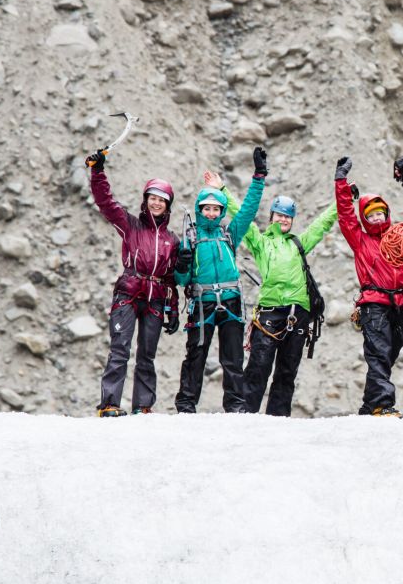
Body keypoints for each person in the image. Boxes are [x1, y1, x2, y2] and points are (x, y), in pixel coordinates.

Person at [222, 170, 336, 416]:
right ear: (271, 216)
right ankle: (247, 415)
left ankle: (279, 419)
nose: (283, 220)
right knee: (258, 367)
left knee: (287, 371)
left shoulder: (299, 243)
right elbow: (241, 214)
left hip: (298, 313)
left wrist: (342, 200)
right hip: (270, 313)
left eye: (288, 217)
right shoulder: (260, 241)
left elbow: (321, 224)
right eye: (280, 215)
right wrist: (222, 190)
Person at [335, 156, 403, 417]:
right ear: (365, 218)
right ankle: (382, 404)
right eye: (371, 214)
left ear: (388, 214)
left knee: (386, 356)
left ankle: (369, 406)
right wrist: (340, 181)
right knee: (378, 354)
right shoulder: (359, 240)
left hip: (402, 305)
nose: (378, 218)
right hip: (374, 305)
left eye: (381, 213)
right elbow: (346, 214)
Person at [85, 148, 181, 417]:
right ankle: (109, 404)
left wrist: (173, 309)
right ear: (145, 200)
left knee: (147, 355)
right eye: (152, 198)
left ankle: (143, 406)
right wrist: (97, 171)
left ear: (168, 205)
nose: (156, 203)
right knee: (120, 349)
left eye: (161, 200)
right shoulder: (130, 225)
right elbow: (106, 203)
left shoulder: (172, 240)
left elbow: (172, 277)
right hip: (128, 292)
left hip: (156, 297)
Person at [173, 148, 267, 413]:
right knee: (195, 355)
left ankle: (235, 406)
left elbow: (248, 210)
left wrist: (258, 177)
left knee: (233, 358)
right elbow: (181, 280)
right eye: (207, 208)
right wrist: (181, 264)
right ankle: (186, 405)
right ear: (199, 209)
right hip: (202, 304)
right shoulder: (189, 239)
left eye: (216, 209)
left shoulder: (229, 235)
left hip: (231, 303)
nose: (212, 213)